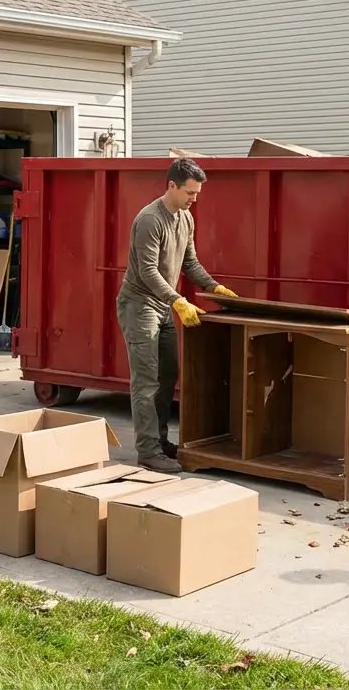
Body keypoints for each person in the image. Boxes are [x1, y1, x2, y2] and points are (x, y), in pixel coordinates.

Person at [117, 158, 236, 474]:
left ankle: (160, 440)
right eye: (189, 193)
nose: (194, 199)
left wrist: (214, 287)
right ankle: (147, 451)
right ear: (171, 185)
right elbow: (148, 271)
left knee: (168, 376)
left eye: (197, 194)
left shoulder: (186, 218)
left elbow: (190, 263)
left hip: (164, 305)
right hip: (140, 305)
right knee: (146, 382)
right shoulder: (150, 220)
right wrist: (179, 300)